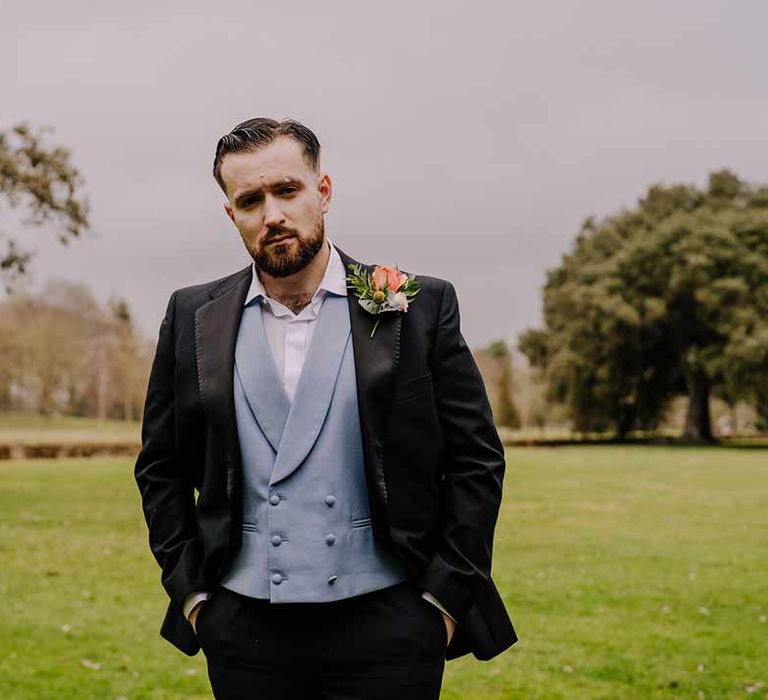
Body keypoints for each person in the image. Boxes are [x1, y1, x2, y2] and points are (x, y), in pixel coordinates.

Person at [134, 117, 517, 700]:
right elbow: (160, 467)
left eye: (287, 190)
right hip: (244, 632)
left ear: (324, 191)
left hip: (392, 625)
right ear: (231, 214)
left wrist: (442, 601)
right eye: (250, 200)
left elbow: (476, 460)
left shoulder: (418, 307)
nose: (273, 215)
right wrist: (193, 597)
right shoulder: (191, 317)